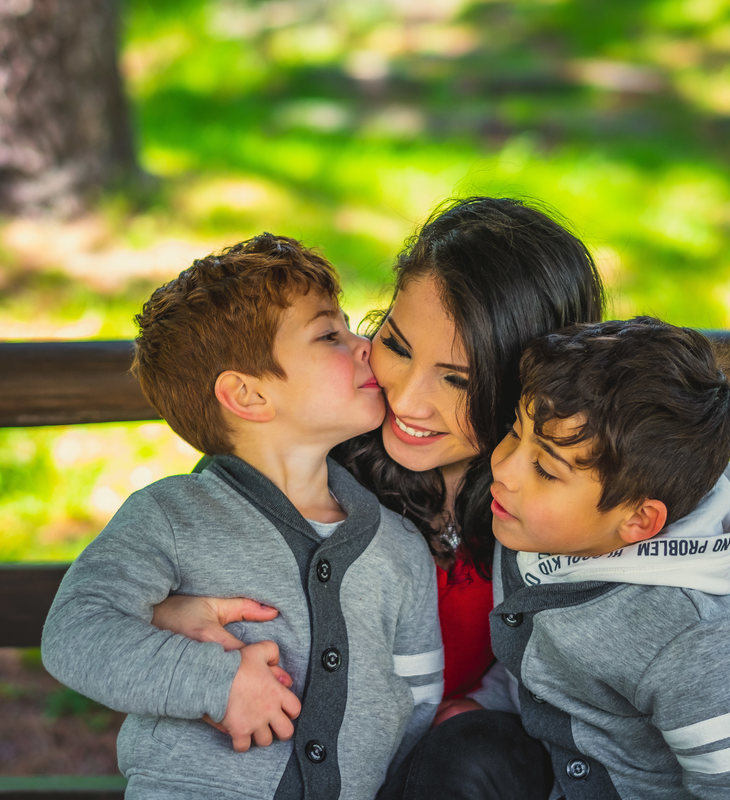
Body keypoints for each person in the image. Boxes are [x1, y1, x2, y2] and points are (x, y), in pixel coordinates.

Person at [150, 198, 730, 799]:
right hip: (331, 764)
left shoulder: (567, 486)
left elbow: (696, 569)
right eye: (394, 342)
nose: (409, 400)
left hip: (508, 769)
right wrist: (168, 611)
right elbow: (175, 548)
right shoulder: (313, 451)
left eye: (457, 379)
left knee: (473, 755)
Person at [41, 233, 444, 800]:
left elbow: (419, 696)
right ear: (249, 397)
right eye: (329, 334)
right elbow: (76, 631)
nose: (364, 345)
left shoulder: (397, 545)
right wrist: (214, 682)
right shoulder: (171, 515)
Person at [486, 316, 730, 799]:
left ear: (639, 521)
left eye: (545, 469)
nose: (503, 467)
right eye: (513, 432)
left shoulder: (696, 641)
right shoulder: (542, 530)